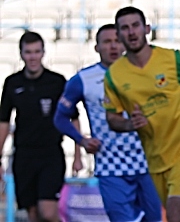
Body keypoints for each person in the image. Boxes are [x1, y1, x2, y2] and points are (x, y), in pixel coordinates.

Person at [104, 7, 180, 222]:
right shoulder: (115, 75)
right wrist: (130, 124)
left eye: (135, 26)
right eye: (125, 28)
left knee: (175, 214)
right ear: (119, 35)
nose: (131, 32)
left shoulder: (172, 59)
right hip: (156, 160)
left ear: (146, 29)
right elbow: (112, 118)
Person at [54, 24, 162, 222]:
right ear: (97, 47)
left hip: (148, 163)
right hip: (111, 165)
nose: (113, 47)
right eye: (107, 42)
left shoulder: (144, 73)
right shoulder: (83, 79)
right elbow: (60, 117)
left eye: (117, 41)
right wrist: (82, 140)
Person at [0, 32, 78, 222]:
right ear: (21, 54)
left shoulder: (56, 82)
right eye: (28, 52)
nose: (32, 57)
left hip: (50, 153)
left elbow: (73, 118)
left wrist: (77, 154)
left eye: (36, 52)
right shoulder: (12, 83)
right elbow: (3, 121)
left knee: (48, 212)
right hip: (23, 155)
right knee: (32, 214)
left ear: (43, 53)